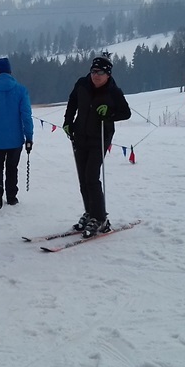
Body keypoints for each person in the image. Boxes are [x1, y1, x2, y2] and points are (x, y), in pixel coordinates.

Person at [63, 54, 131, 237]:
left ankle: (100, 218)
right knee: (83, 178)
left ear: (108, 74)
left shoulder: (113, 91)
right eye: (93, 71)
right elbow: (72, 103)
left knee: (91, 176)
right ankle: (90, 212)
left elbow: (126, 113)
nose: (96, 76)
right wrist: (67, 122)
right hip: (80, 135)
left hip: (100, 136)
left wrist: (109, 113)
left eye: (100, 72)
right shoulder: (82, 84)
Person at [0, 57, 33, 209]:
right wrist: (29, 137)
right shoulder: (21, 90)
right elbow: (26, 116)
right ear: (10, 72)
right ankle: (11, 196)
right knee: (12, 168)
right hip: (16, 140)